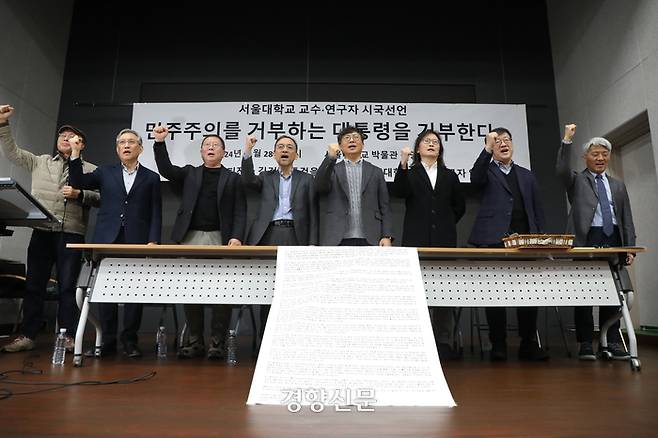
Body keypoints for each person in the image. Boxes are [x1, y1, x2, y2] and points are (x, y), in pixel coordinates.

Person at [0, 104, 100, 353]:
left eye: (71, 136)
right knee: (34, 284)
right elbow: (12, 153)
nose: (65, 138)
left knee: (68, 287)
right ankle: (28, 335)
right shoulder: (40, 162)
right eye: (61, 135)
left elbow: (101, 198)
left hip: (72, 233)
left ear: (81, 144)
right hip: (42, 231)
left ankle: (66, 336)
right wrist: (3, 125)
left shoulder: (91, 170)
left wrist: (80, 194)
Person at [153, 126, 246, 359]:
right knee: (189, 290)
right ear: (201, 152)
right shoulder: (190, 174)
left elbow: (240, 211)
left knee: (222, 292)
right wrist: (160, 142)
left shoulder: (233, 178)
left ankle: (217, 343)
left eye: (216, 145)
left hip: (220, 238)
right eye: (207, 145)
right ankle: (195, 341)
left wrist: (235, 237)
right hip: (190, 237)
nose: (211, 148)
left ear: (224, 153)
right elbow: (166, 169)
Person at [69, 128, 162, 358]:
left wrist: (153, 240)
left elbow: (156, 212)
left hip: (137, 240)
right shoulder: (104, 172)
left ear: (140, 148)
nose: (126, 145)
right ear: (117, 148)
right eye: (122, 142)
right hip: (106, 238)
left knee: (134, 292)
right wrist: (75, 153)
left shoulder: (151, 177)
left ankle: (130, 341)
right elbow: (78, 180)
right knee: (105, 291)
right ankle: (107, 341)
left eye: (131, 142)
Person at [557, 123, 636, 361]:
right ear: (585, 158)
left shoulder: (617, 185)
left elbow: (626, 218)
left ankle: (611, 340)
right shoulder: (577, 181)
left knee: (614, 293)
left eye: (604, 154)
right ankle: (585, 343)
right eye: (595, 154)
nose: (600, 158)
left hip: (612, 239)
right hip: (586, 238)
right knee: (584, 294)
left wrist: (630, 247)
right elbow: (561, 170)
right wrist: (567, 141)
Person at [469, 127, 548, 361]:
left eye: (506, 140)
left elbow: (537, 209)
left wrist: (541, 238)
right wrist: (486, 149)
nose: (502, 144)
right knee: (494, 294)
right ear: (490, 147)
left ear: (512, 144)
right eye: (496, 141)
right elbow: (475, 179)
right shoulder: (486, 170)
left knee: (528, 294)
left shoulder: (526, 175)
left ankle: (528, 343)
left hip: (525, 241)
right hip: (493, 240)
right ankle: (498, 343)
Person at [392, 129, 465, 359]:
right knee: (416, 291)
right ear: (418, 148)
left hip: (444, 241)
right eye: (427, 141)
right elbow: (399, 192)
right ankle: (417, 340)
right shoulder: (411, 173)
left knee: (443, 291)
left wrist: (444, 222)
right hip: (416, 240)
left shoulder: (450, 175)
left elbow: (459, 207)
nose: (432, 144)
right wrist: (403, 164)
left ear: (440, 149)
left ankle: (442, 341)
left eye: (435, 142)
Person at [241, 134, 317, 336]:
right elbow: (248, 180)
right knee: (268, 290)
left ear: (297, 154)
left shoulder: (307, 179)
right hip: (269, 235)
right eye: (280, 147)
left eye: (289, 147)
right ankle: (265, 338)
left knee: (295, 290)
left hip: (296, 235)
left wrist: (312, 243)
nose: (285, 150)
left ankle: (292, 337)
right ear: (274, 153)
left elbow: (313, 213)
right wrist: (248, 152)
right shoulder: (266, 177)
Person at [315, 126, 393, 246]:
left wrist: (386, 235)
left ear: (363, 145)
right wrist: (330, 158)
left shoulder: (375, 172)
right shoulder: (332, 170)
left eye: (356, 137)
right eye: (347, 138)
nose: (352, 140)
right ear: (340, 146)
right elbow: (319, 186)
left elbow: (385, 207)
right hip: (337, 238)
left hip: (371, 237)